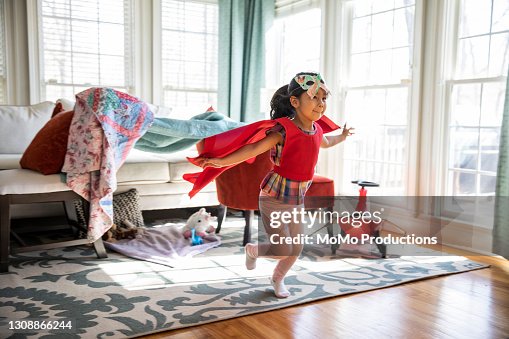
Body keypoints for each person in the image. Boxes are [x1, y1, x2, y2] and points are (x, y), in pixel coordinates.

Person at [192, 72, 354, 298]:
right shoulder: (283, 131)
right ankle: (253, 250)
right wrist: (219, 161)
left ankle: (278, 279)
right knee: (282, 249)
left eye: (324, 99)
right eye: (314, 98)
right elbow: (250, 150)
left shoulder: (317, 130)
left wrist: (343, 137)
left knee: (296, 247)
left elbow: (327, 142)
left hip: (296, 200)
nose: (321, 104)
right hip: (274, 199)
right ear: (295, 102)